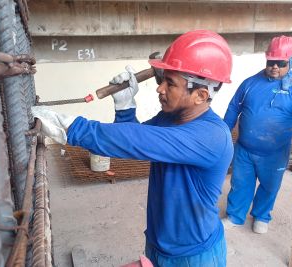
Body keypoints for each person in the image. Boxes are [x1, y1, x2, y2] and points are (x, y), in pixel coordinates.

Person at [31, 30, 234, 267]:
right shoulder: (170, 119)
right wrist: (126, 108)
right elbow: (134, 143)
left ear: (200, 95)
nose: (160, 89)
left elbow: (139, 140)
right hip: (158, 242)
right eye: (162, 79)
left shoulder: (213, 136)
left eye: (170, 83)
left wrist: (73, 129)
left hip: (193, 255)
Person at [223, 35, 292, 234]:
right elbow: (234, 107)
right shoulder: (250, 83)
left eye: (281, 63)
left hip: (275, 152)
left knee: (269, 186)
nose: (275, 67)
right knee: (240, 183)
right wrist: (224, 130)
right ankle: (235, 216)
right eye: (271, 62)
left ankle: (261, 216)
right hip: (245, 149)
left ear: (291, 61)